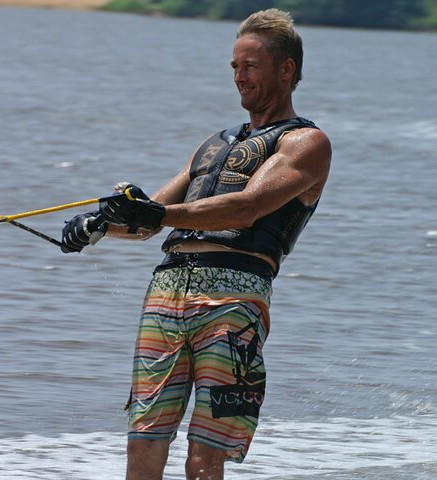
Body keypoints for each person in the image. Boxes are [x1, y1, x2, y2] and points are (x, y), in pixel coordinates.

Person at [61, 8, 331, 480]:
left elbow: (247, 208)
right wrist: (99, 224)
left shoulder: (306, 143)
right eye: (234, 67)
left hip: (234, 299)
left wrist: (157, 214)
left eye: (250, 66)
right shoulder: (213, 144)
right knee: (143, 438)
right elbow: (150, 222)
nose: (239, 77)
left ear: (285, 70)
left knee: (206, 454)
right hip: (165, 295)